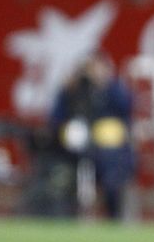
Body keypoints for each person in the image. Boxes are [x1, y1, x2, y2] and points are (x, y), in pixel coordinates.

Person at [49, 52, 135, 220]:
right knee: (62, 175)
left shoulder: (113, 90)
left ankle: (114, 217)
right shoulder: (72, 90)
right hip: (74, 153)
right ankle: (66, 215)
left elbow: (126, 108)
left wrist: (105, 84)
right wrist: (70, 87)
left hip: (110, 154)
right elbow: (56, 119)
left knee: (113, 179)